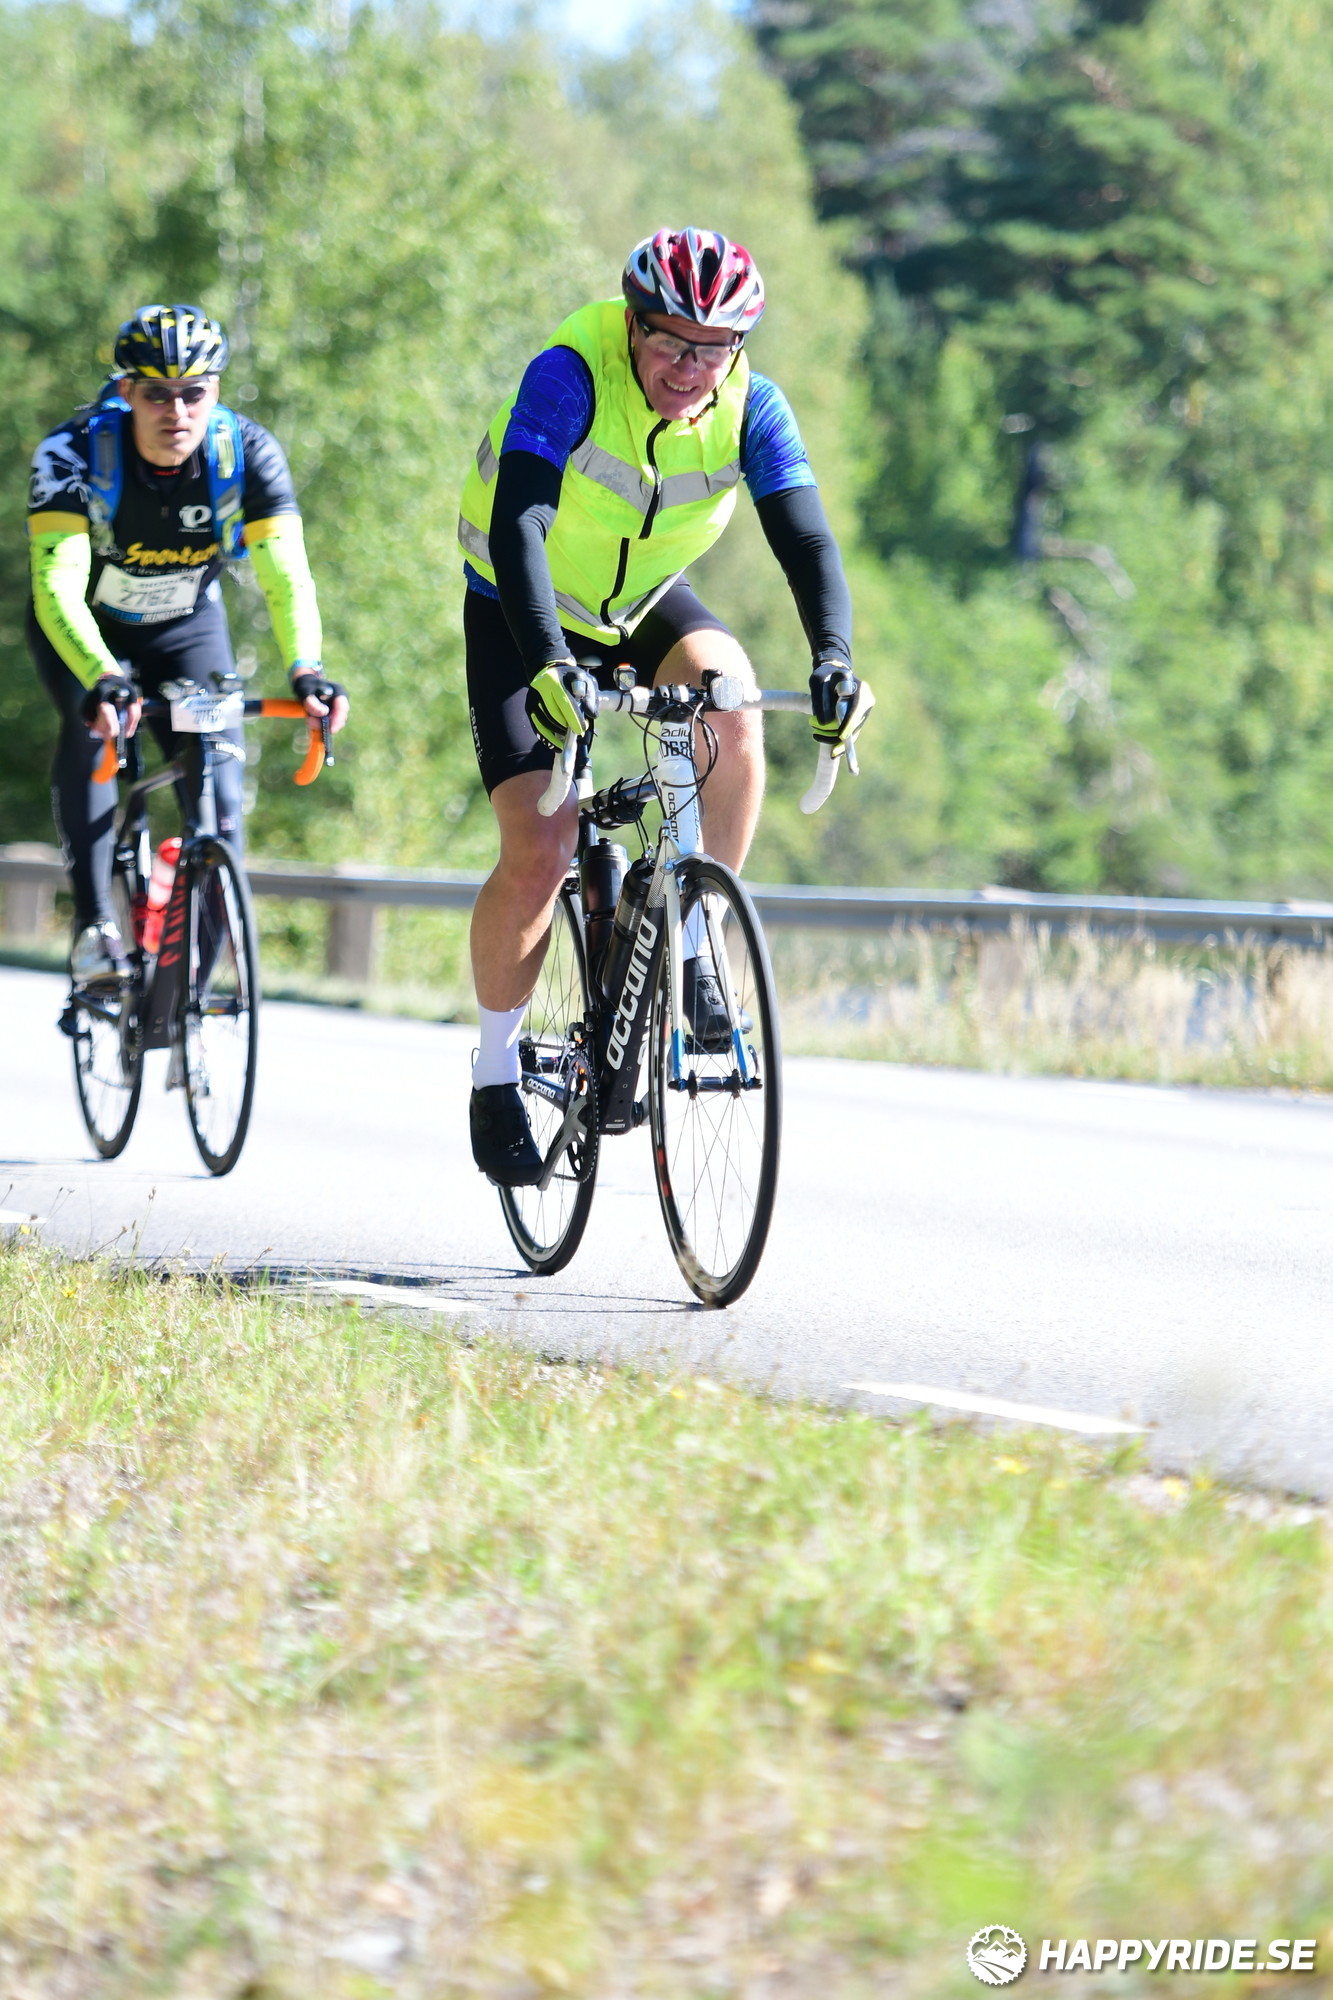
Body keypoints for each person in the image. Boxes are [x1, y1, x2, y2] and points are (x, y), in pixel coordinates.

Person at [457, 226, 874, 1186]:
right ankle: (493, 1072)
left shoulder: (753, 405)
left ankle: (695, 943)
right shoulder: (570, 373)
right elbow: (521, 521)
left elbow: (806, 543)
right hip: (520, 605)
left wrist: (834, 660)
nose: (689, 369)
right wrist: (550, 661)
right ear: (633, 325)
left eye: (712, 349)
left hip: (639, 603)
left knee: (731, 704)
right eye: (670, 343)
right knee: (541, 847)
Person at [26, 302, 348, 989]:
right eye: (156, 394)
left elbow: (287, 576)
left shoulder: (247, 453)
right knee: (94, 733)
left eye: (193, 393)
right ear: (125, 392)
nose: (176, 411)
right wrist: (101, 677)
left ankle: (189, 984)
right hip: (87, 629)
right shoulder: (71, 454)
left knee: (219, 785)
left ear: (216, 390)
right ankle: (95, 928)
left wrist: (306, 669)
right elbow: (56, 585)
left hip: (186, 625)